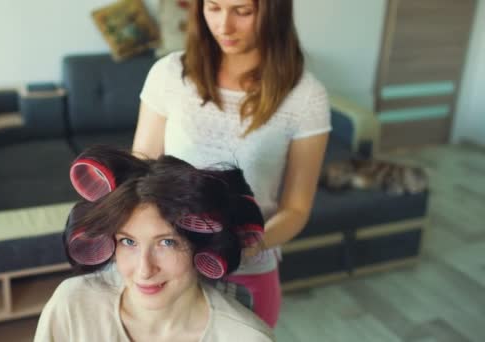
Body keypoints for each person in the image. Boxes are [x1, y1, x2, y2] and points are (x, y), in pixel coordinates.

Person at [132, 0, 330, 327]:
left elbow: (296, 208)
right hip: (165, 268)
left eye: (242, 11)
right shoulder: (168, 74)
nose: (224, 25)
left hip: (247, 272)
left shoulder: (306, 97)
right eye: (213, 7)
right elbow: (140, 171)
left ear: (273, 12)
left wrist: (245, 248)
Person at [34, 146, 274, 341]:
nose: (144, 269)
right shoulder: (73, 304)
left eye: (167, 243)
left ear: (203, 246)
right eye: (128, 241)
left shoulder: (247, 338)